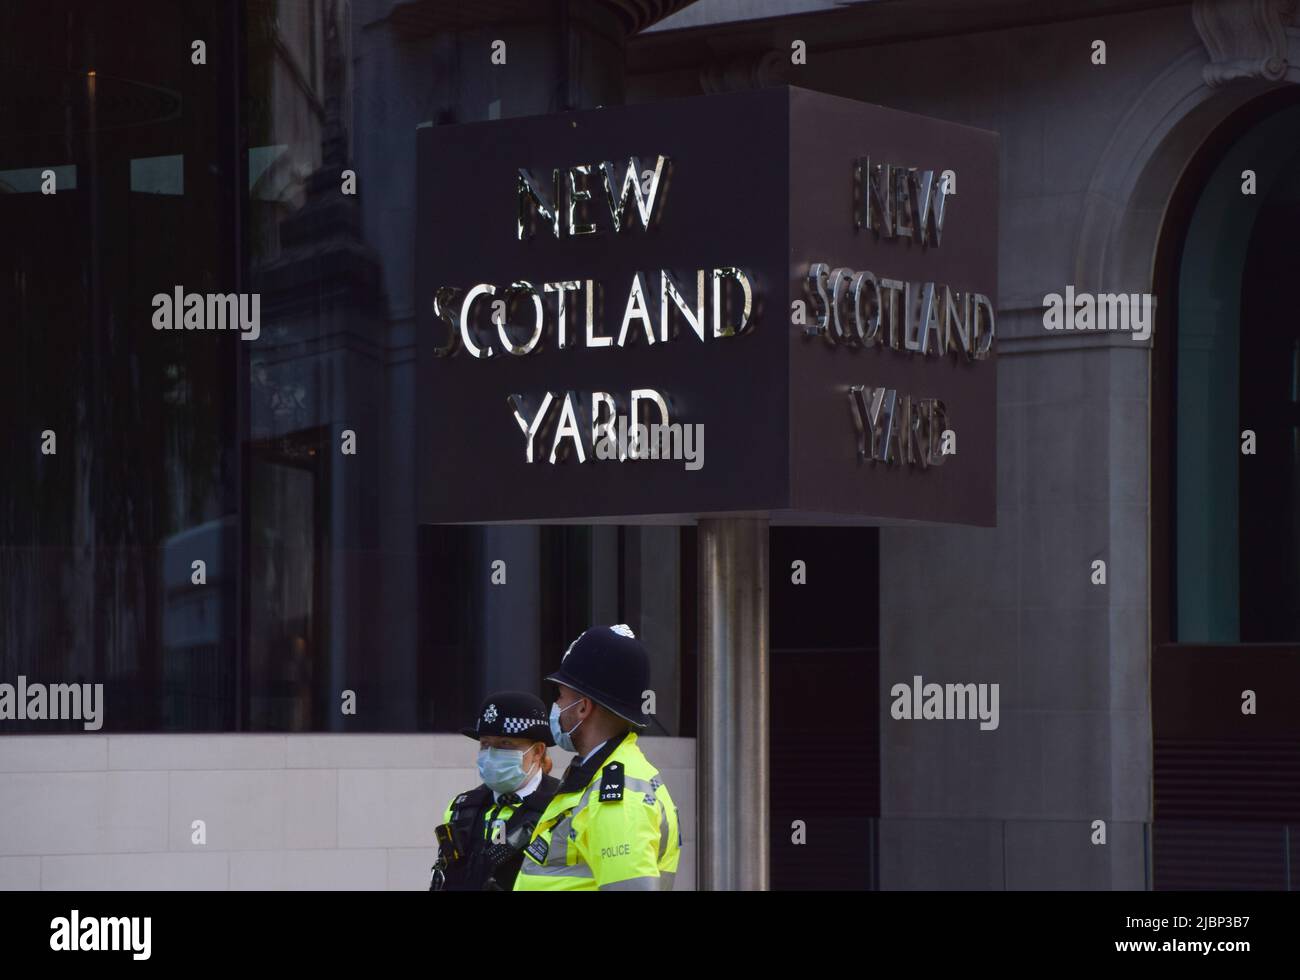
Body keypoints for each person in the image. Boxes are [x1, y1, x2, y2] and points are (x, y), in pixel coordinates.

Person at [514, 624, 681, 891]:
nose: (555, 706)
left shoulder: (617, 799)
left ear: (582, 707)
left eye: (560, 696)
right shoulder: (597, 778)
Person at [430, 691, 559, 891]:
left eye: (505, 744)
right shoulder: (462, 806)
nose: (491, 755)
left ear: (538, 751)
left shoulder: (564, 805)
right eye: (485, 744)